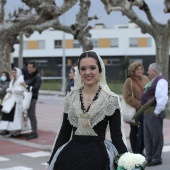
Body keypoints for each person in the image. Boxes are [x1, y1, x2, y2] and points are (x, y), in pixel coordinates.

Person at [47, 50, 127, 170]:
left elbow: (117, 136)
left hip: (100, 159)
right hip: (70, 159)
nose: (87, 72)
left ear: (100, 70)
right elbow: (64, 133)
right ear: (79, 71)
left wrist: (127, 162)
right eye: (83, 68)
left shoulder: (111, 99)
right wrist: (51, 162)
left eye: (92, 68)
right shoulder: (71, 98)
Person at [141, 63, 168, 166]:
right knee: (147, 136)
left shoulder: (161, 81)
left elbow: (162, 97)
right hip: (148, 113)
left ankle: (156, 158)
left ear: (155, 72)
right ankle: (150, 157)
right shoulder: (153, 81)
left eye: (149, 70)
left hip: (153, 112)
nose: (147, 72)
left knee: (156, 136)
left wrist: (156, 112)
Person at [122, 62, 149, 154]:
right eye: (138, 69)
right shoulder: (128, 81)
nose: (140, 71)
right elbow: (127, 96)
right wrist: (138, 105)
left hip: (146, 109)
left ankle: (140, 150)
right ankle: (135, 151)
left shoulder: (145, 79)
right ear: (133, 71)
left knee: (144, 130)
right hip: (135, 110)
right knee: (134, 130)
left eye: (141, 69)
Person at [0, 68, 26, 136]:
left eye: (15, 73)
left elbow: (23, 89)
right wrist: (9, 90)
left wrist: (13, 91)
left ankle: (17, 131)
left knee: (16, 116)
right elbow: (10, 88)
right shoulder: (12, 80)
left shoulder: (21, 80)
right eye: (13, 73)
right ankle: (6, 129)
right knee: (6, 114)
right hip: (10, 100)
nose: (13, 74)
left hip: (17, 101)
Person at [21, 61, 42, 140]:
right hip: (26, 98)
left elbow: (35, 88)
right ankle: (32, 130)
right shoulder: (29, 75)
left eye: (30, 67)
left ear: (34, 68)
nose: (28, 69)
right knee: (29, 115)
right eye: (28, 67)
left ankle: (34, 132)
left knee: (32, 115)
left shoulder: (37, 77)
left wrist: (26, 86)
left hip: (32, 98)